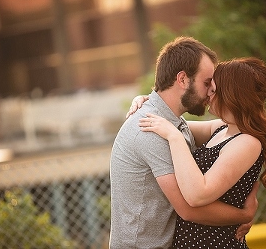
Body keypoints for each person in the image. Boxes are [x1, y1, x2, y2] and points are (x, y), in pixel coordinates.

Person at [110, 37, 257, 248]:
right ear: (182, 80)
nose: (210, 92)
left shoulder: (172, 123)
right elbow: (189, 209)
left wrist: (253, 191)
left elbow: (235, 134)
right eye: (207, 83)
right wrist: (244, 214)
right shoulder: (150, 130)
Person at [131, 57, 266, 248]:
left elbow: (198, 195)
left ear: (231, 95)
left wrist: (174, 138)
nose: (208, 96)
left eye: (213, 90)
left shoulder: (247, 142)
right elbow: (172, 123)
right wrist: (149, 102)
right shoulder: (222, 128)